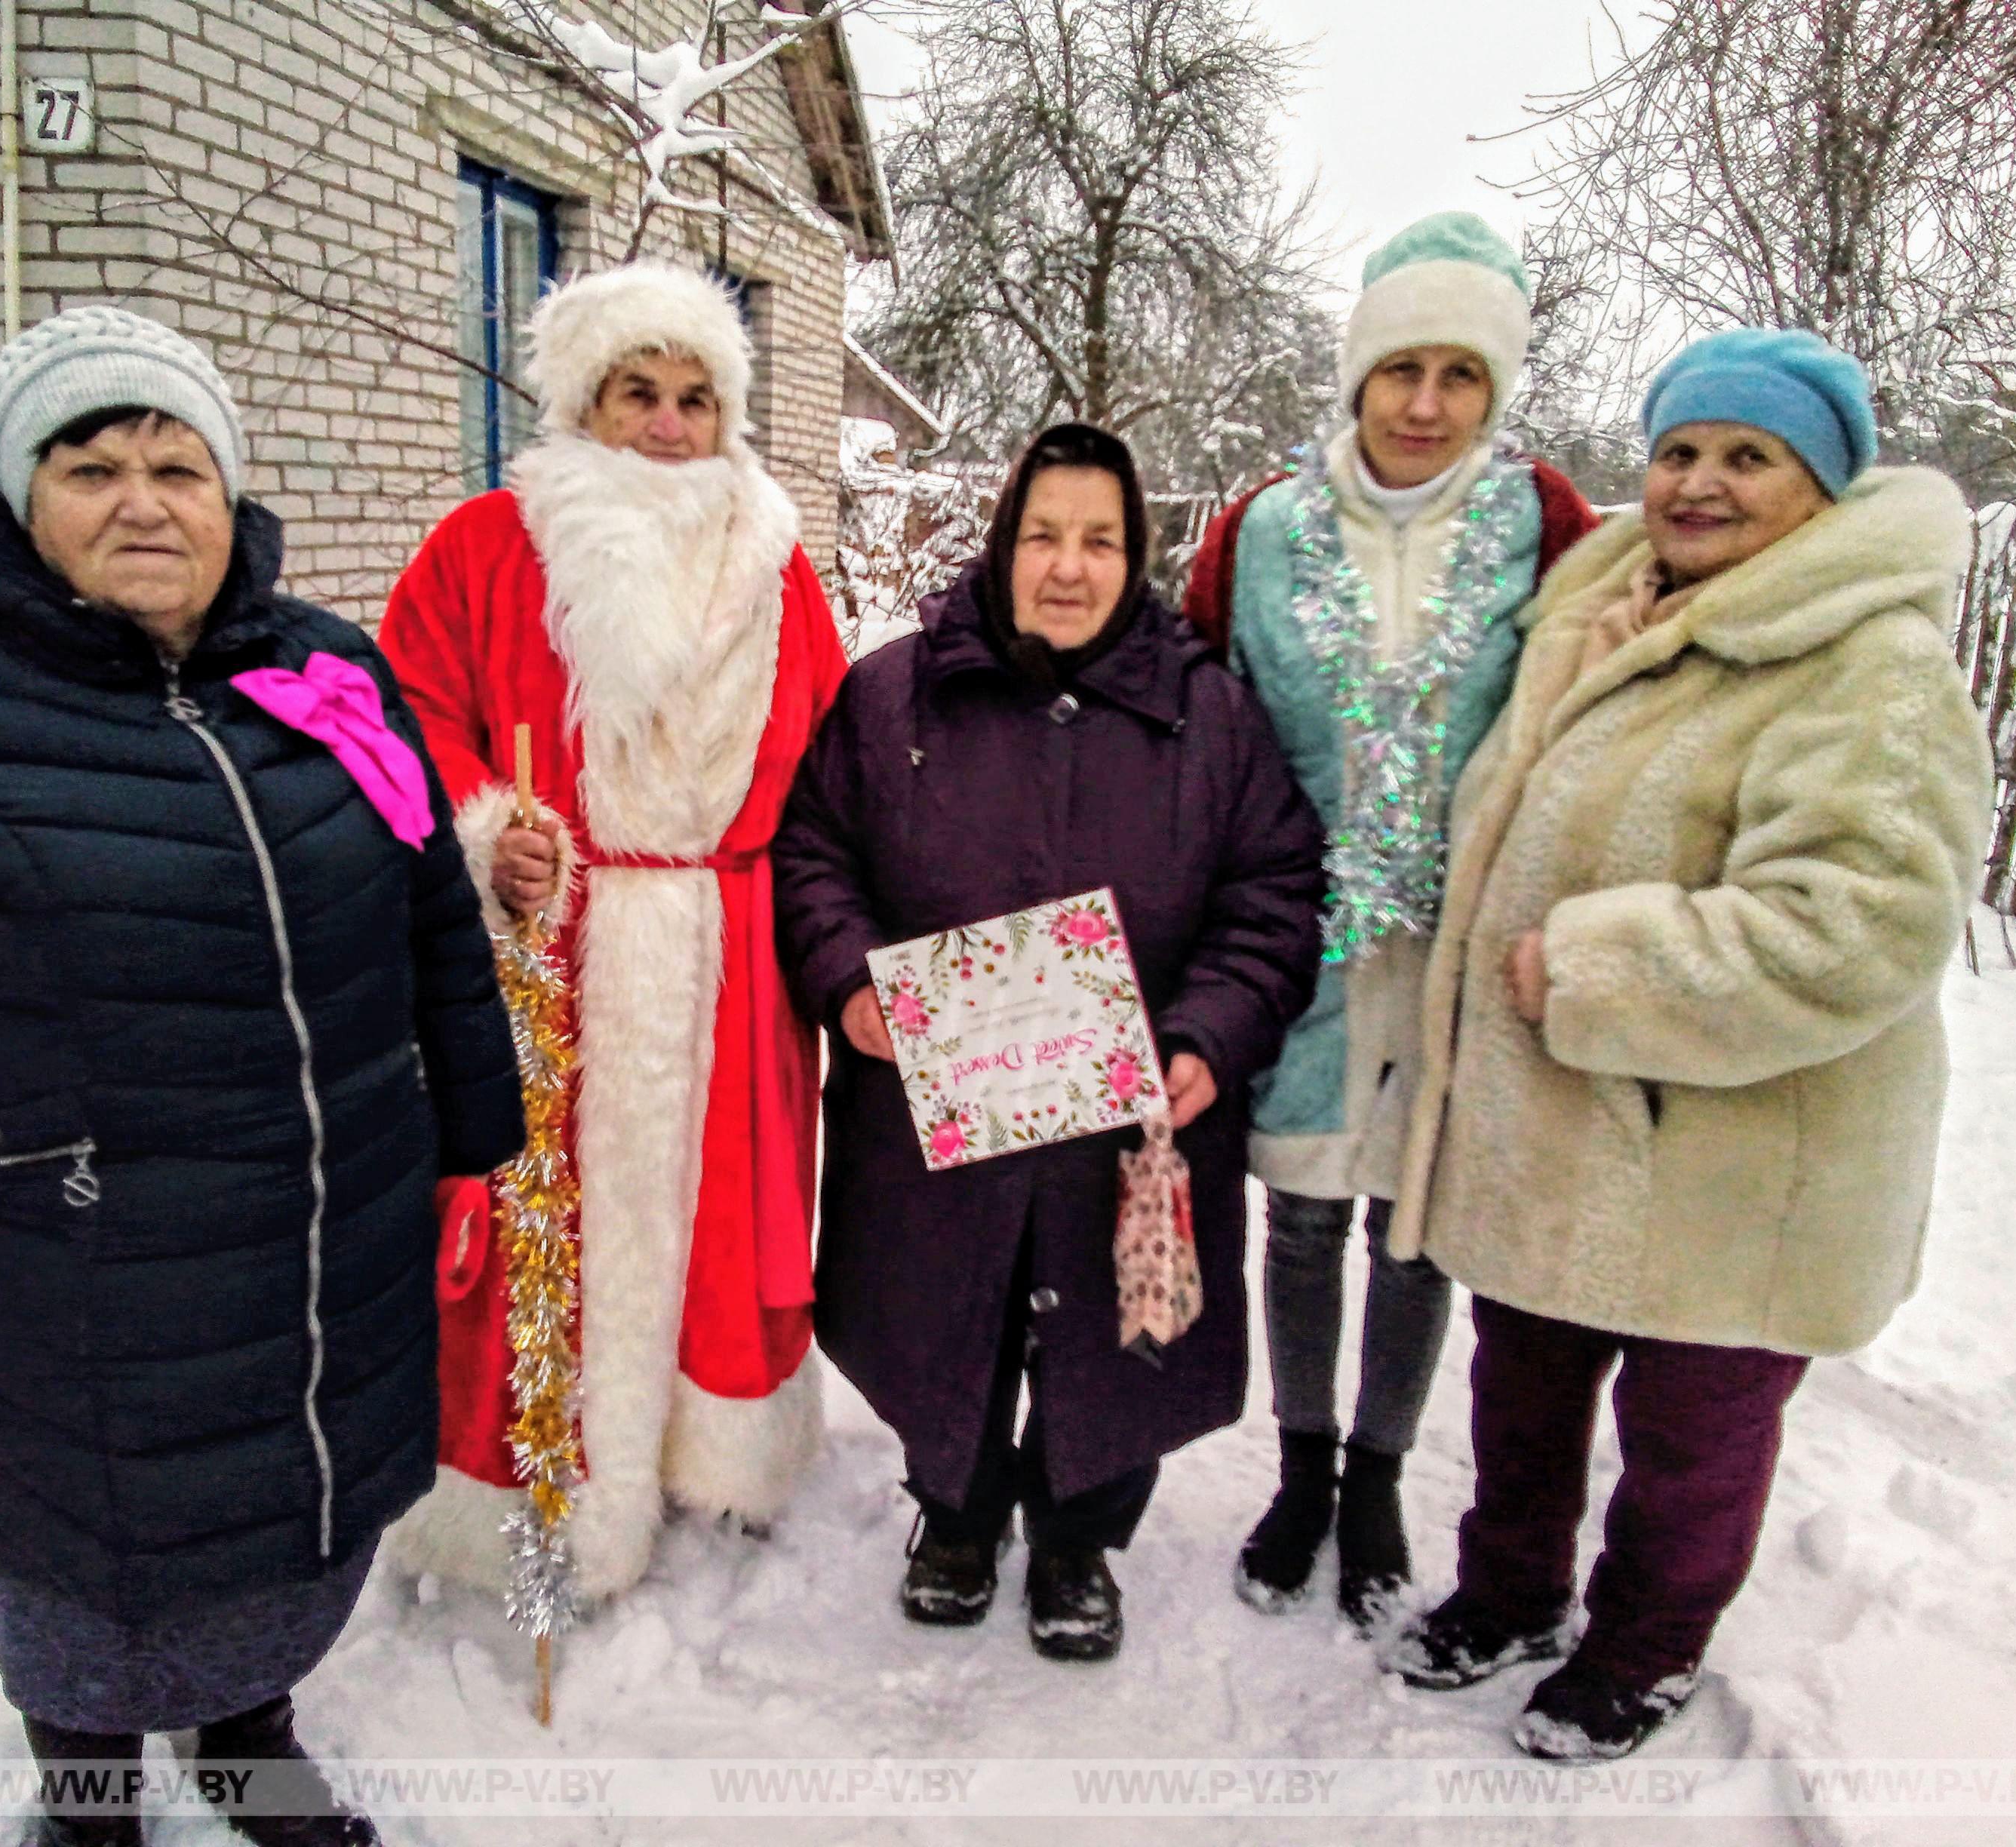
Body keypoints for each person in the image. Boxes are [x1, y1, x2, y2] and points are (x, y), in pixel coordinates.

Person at [0, 306, 524, 1845]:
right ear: (21, 501)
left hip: (318, 1229)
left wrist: (480, 1130)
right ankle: (86, 1801)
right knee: (77, 1563)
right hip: (48, 1263)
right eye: (91, 467)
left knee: (290, 1512)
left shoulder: (331, 673)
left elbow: (428, 912)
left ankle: (246, 1738)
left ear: (231, 496)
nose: (144, 500)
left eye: (178, 463)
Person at [1381, 328, 1993, 1759]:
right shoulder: (1600, 616)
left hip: (1740, 1161)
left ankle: (1643, 1651)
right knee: (1518, 1390)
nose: (1700, 484)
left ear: (1822, 488)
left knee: (1692, 1434)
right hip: (1562, 1127)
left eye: (1747, 457)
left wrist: (1594, 966)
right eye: (1679, 451)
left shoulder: (1871, 666)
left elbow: (1862, 926)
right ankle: (1511, 1593)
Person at [773, 422, 1326, 1662]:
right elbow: (815, 855)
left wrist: (1208, 1033)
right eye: (1043, 536)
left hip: (1137, 1127)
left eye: (1101, 540)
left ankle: (1081, 1539)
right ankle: (957, 1522)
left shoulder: (1211, 717)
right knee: (940, 1313)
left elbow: (1276, 893)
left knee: (1119, 1337)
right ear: (1003, 543)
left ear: (1137, 557)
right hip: (939, 1113)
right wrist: (850, 981)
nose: (1068, 567)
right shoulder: (893, 693)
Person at [374, 261, 850, 1601]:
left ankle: (713, 1453)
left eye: (696, 396)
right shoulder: (487, 544)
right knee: (537, 1222)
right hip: (550, 945)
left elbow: (835, 764)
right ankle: (536, 1477)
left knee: (726, 1213)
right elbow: (407, 708)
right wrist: (484, 831)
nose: (669, 422)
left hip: (728, 948)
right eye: (638, 392)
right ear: (587, 402)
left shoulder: (776, 562)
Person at [1179, 212, 1599, 1629]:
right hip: (1301, 938)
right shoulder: (1270, 531)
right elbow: (1197, 719)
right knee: (1302, 1222)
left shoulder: (1545, 532)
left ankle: (1376, 1477)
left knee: (1413, 1230)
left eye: (1461, 375)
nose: (1427, 404)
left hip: (1456, 948)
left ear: (1495, 390)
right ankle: (1301, 1471)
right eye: (1402, 368)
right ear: (1356, 377)